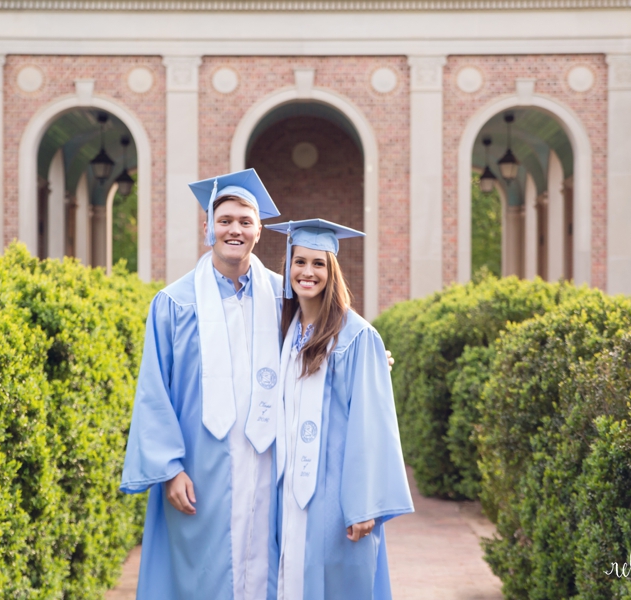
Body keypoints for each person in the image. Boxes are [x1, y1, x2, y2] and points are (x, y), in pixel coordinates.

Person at [120, 169, 284, 600]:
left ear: (259, 230)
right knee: (201, 575)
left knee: (269, 566)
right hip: (200, 465)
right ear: (208, 226)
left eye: (245, 222)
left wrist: (372, 361)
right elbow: (154, 390)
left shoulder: (284, 298)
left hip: (271, 463)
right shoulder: (174, 303)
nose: (235, 229)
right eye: (226, 219)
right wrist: (170, 468)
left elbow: (326, 347)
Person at [265, 219, 414, 600]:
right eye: (299, 262)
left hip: (334, 494)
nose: (307, 272)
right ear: (288, 266)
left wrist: (364, 504)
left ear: (332, 272)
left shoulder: (358, 337)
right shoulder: (283, 330)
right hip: (287, 490)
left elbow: (373, 427)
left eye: (318, 264)